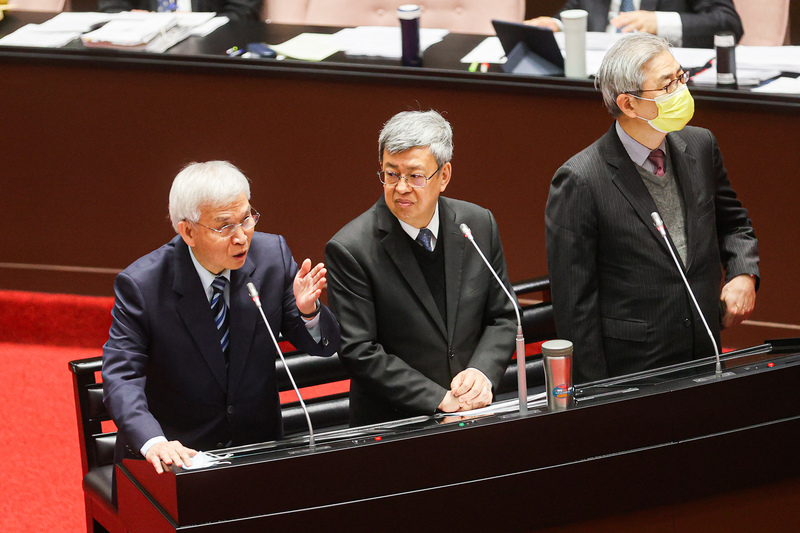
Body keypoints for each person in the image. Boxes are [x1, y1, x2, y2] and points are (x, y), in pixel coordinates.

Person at [102, 160, 340, 479]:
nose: (242, 237)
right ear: (188, 230)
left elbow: (322, 347)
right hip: (180, 459)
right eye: (224, 226)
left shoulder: (272, 257)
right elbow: (121, 376)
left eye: (247, 219)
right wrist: (155, 442)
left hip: (258, 454)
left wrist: (308, 312)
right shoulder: (143, 285)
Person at [545, 33, 759, 384]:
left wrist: (743, 272)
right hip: (634, 370)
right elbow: (574, 306)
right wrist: (598, 396)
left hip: (705, 351)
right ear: (628, 104)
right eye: (667, 84)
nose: (681, 90)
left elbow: (734, 224)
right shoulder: (580, 180)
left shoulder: (700, 144)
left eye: (680, 76)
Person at [325, 110, 517, 426]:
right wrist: (439, 399)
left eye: (415, 175)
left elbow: (503, 315)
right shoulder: (351, 248)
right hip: (396, 424)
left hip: (474, 412)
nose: (401, 187)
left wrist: (482, 372)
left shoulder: (478, 224)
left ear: (444, 176)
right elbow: (359, 351)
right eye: (391, 174)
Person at [526, 0, 743, 49]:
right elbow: (576, 9)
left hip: (659, 85)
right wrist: (556, 24)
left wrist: (659, 22)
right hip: (594, 80)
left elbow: (728, 24)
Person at [98, 0, 261, 22]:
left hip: (209, 57)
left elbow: (243, 11)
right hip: (139, 60)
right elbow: (111, 9)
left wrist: (195, 22)